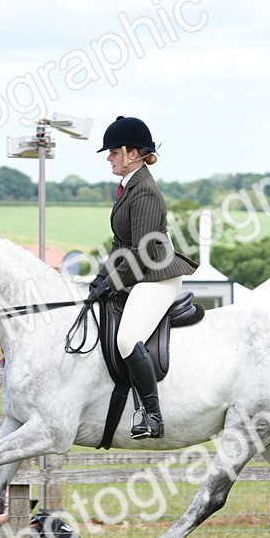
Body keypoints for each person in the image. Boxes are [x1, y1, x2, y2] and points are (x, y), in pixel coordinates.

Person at [87, 115, 198, 439]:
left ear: (132, 153)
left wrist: (111, 282)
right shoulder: (128, 187)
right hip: (138, 270)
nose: (109, 158)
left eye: (113, 152)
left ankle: (152, 415)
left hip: (157, 275)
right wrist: (100, 278)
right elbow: (120, 245)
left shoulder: (145, 191)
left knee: (127, 339)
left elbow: (142, 251)